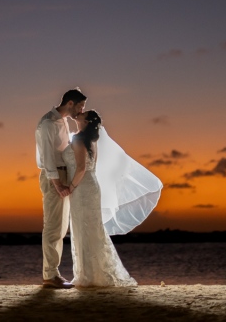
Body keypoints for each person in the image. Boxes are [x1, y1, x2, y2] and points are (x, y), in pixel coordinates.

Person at [64, 110, 152, 288]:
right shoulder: (90, 140)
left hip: (82, 187)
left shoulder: (79, 139)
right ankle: (90, 274)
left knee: (85, 229)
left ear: (87, 121)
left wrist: (70, 188)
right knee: (90, 229)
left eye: (83, 114)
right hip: (91, 185)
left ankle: (88, 275)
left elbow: (81, 168)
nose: (79, 113)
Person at [35, 88, 86, 289]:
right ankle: (49, 275)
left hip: (63, 173)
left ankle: (53, 273)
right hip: (54, 176)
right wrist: (58, 184)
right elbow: (47, 157)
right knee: (53, 226)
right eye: (80, 106)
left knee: (61, 226)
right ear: (70, 103)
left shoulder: (63, 121)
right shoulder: (48, 124)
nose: (82, 110)